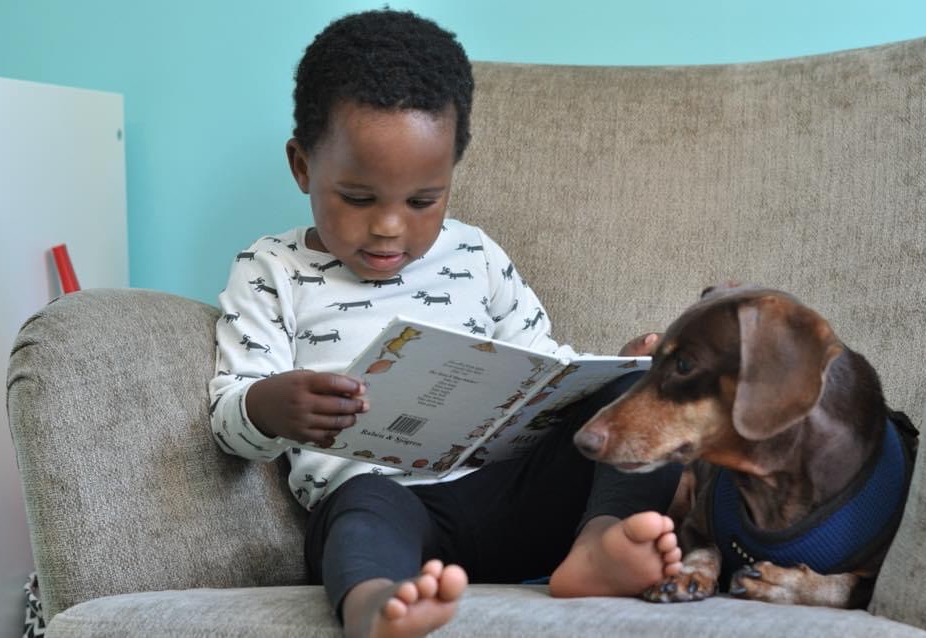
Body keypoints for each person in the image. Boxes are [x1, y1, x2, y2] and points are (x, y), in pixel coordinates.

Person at [209, 9, 682, 638]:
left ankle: (596, 547)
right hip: (390, 507)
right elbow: (228, 421)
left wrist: (611, 373)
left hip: (507, 496)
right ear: (302, 167)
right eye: (358, 198)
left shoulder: (474, 254)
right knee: (359, 509)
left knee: (647, 400)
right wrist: (269, 407)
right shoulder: (272, 269)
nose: (389, 226)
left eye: (422, 201)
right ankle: (378, 606)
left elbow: (543, 366)